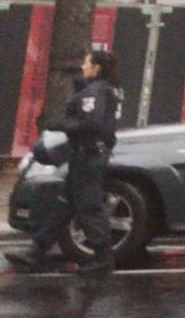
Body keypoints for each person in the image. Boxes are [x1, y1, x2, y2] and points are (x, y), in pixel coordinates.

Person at [7, 48, 123, 274]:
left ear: (96, 67)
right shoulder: (106, 89)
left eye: (87, 63)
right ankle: (36, 251)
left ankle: (103, 259)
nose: (83, 66)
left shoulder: (98, 91)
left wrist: (61, 127)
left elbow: (92, 122)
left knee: (89, 207)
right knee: (63, 206)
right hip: (87, 155)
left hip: (89, 157)